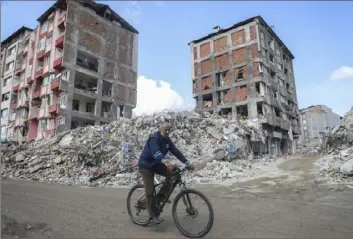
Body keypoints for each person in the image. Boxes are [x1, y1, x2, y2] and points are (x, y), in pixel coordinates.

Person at [138, 121, 194, 225]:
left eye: (169, 130)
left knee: (174, 173)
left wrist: (187, 162)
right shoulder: (154, 138)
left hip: (156, 164)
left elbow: (176, 151)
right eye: (165, 130)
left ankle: (161, 196)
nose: (167, 132)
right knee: (149, 192)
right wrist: (165, 161)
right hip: (146, 166)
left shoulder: (167, 140)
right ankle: (152, 216)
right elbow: (156, 152)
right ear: (160, 128)